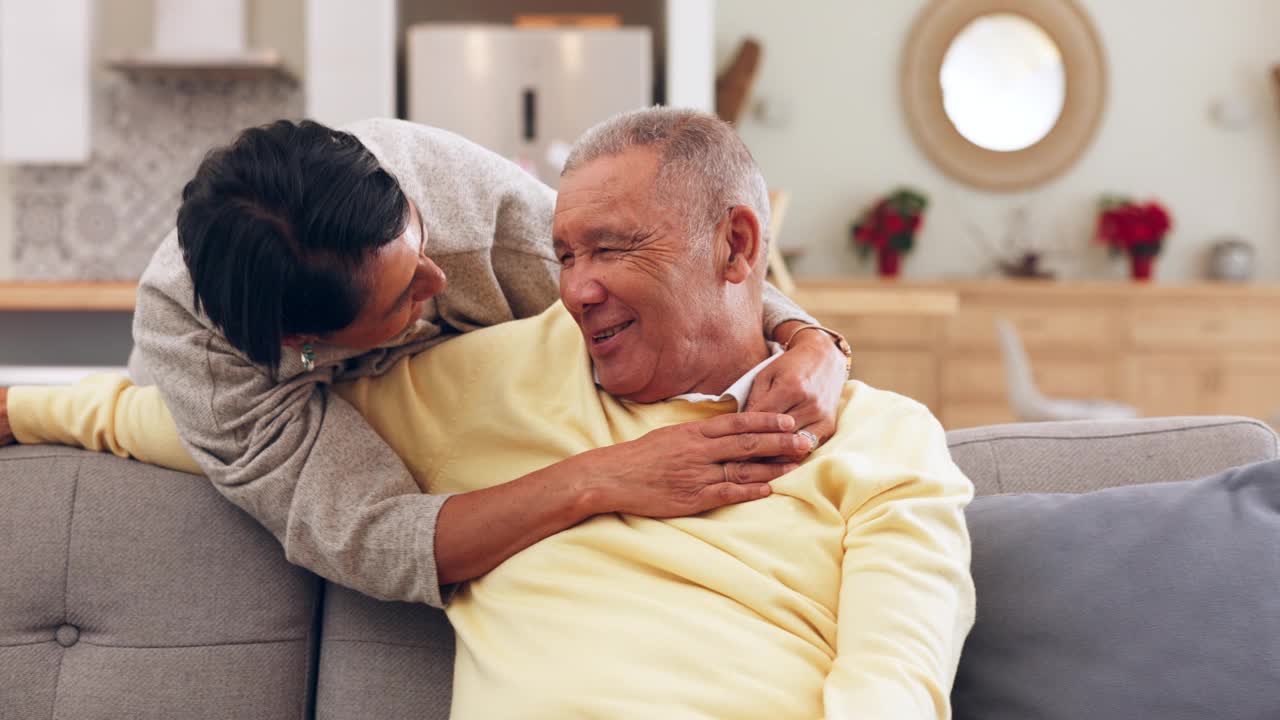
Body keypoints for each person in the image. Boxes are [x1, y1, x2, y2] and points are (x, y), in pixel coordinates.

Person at [3, 108, 973, 719]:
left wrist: (810, 339)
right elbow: (178, 428)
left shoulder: (884, 438)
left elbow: (895, 673)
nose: (575, 290)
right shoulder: (473, 385)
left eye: (607, 250)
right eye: (568, 258)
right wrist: (21, 407)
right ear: (311, 357)